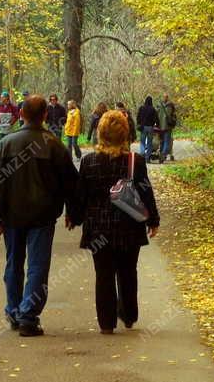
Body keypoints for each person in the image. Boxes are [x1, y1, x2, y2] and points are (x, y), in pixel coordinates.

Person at [0, 95, 78, 337]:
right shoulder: (54, 145)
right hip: (42, 215)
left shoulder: (5, 145)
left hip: (11, 215)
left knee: (14, 262)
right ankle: (27, 314)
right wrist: (73, 211)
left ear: (21, 114)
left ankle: (15, 310)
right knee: (37, 265)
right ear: (45, 115)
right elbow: (71, 182)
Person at [68, 110, 160, 334]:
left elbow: (81, 195)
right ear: (125, 134)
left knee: (104, 274)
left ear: (101, 133)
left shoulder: (89, 162)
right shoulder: (134, 161)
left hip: (99, 228)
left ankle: (106, 323)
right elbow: (145, 191)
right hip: (128, 227)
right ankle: (128, 315)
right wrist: (153, 219)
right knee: (128, 271)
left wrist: (74, 216)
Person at [157, 94, 177, 162]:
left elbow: (156, 116)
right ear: (167, 98)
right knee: (166, 142)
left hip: (160, 127)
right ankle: (163, 155)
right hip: (168, 126)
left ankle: (162, 155)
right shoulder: (171, 105)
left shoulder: (159, 106)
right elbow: (174, 115)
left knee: (162, 142)